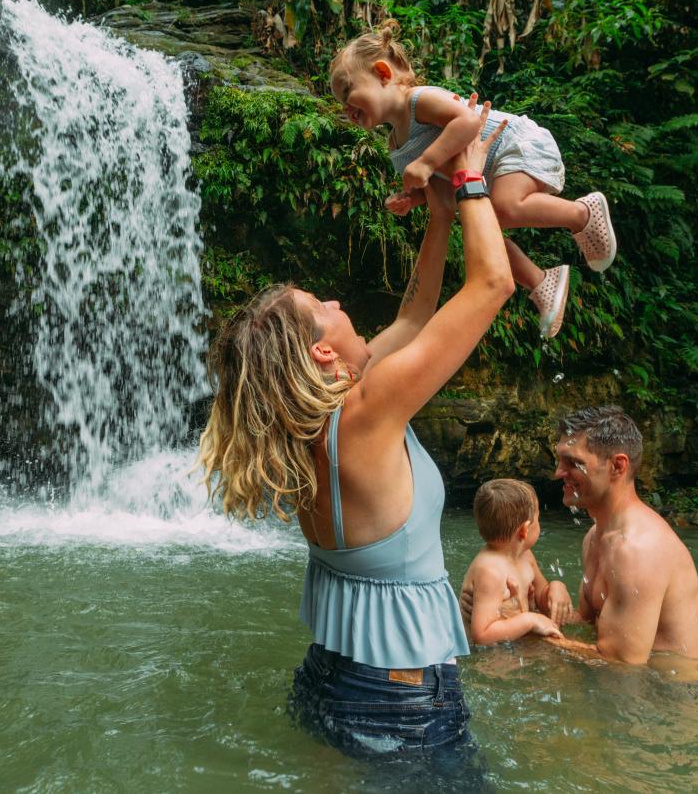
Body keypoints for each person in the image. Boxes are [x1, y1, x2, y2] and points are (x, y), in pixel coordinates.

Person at [197, 97, 514, 765]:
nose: (339, 303)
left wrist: (437, 220)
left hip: (329, 680)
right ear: (320, 352)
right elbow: (491, 283)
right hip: (400, 697)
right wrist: (471, 175)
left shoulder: (312, 427)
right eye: (325, 306)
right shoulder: (369, 413)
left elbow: (418, 312)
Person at [329, 20, 617, 339]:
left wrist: (425, 162)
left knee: (505, 209)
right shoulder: (395, 146)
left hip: (512, 143)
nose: (346, 108)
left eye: (348, 91)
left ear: (383, 74)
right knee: (482, 235)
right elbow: (438, 185)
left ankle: (583, 213)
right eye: (341, 103)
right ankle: (541, 282)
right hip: (485, 172)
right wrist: (412, 198)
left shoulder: (419, 100)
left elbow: (467, 121)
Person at [551, 405, 698, 665]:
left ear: (617, 466)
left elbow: (621, 664)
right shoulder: (595, 536)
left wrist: (527, 635)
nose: (558, 473)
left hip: (670, 697)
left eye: (574, 463)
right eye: (559, 460)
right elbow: (589, 624)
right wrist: (529, 604)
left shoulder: (637, 550)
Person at [460, 478, 572, 645]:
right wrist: (529, 620)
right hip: (493, 660)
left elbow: (541, 598)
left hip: (515, 644)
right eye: (538, 519)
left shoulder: (526, 556)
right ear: (524, 530)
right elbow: (482, 635)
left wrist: (557, 587)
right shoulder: (490, 570)